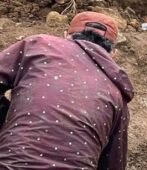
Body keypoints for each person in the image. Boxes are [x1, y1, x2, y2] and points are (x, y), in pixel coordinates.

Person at [0, 12, 134, 169]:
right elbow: (113, 164)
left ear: (65, 35)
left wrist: (7, 118)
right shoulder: (117, 94)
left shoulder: (38, 45)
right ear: (112, 53)